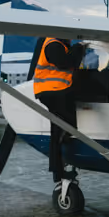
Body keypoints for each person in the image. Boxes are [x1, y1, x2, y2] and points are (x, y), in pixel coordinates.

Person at [33, 37, 85, 184]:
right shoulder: (53, 44)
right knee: (67, 125)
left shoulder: (60, 44)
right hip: (53, 91)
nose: (70, 37)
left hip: (58, 91)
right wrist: (79, 47)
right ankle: (63, 160)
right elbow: (65, 63)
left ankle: (58, 172)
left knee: (58, 130)